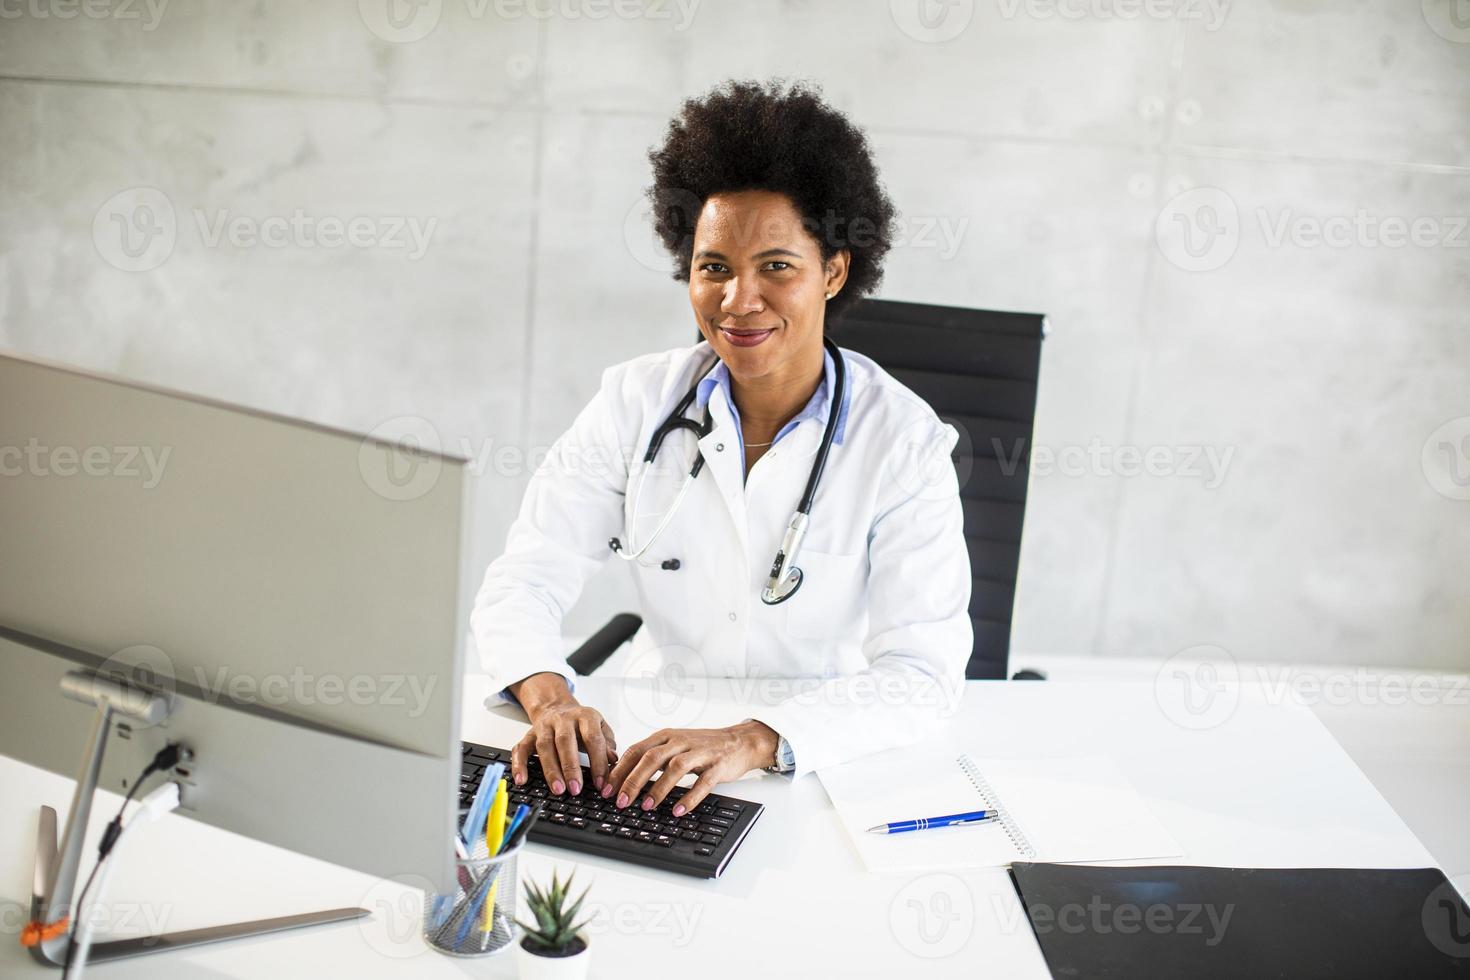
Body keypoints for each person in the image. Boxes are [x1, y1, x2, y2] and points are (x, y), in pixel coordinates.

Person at [472, 78, 971, 821]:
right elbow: (524, 579)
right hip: (646, 759)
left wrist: (756, 738)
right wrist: (550, 698)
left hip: (815, 762)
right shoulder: (634, 405)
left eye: (776, 266)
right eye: (714, 268)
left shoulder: (904, 443)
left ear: (833, 271)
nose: (739, 300)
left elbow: (922, 675)